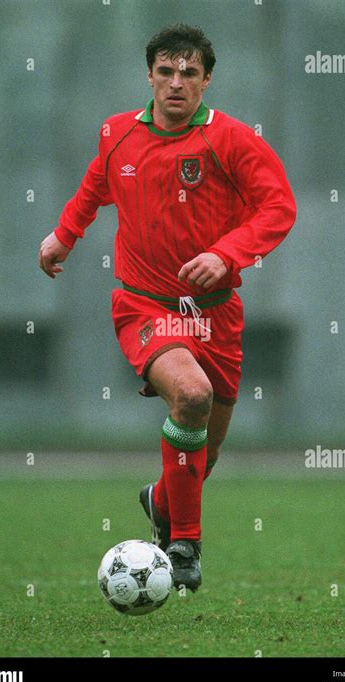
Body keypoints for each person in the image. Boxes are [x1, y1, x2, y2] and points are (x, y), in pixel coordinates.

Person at [38, 23, 296, 592]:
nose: (176, 83)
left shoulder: (231, 140)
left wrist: (226, 254)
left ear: (207, 79)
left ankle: (160, 500)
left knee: (207, 448)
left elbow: (278, 206)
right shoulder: (118, 134)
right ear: (150, 74)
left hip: (216, 313)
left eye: (189, 73)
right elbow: (94, 185)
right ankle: (184, 548)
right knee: (193, 395)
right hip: (145, 304)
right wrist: (63, 235)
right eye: (165, 71)